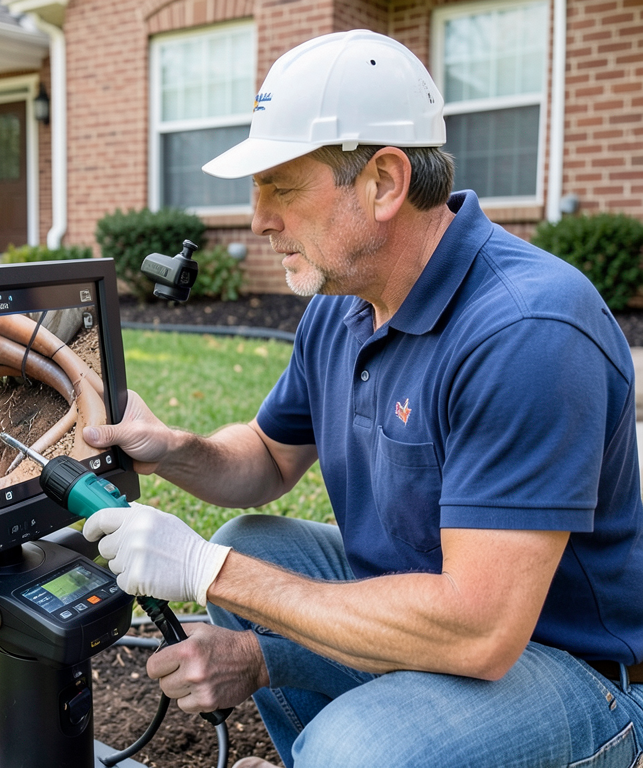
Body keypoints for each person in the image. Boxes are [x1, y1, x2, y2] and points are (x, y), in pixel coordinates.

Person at [81, 29, 643, 768]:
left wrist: (205, 575)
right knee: (251, 545)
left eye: (280, 186)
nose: (258, 220)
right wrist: (174, 450)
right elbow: (266, 460)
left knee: (358, 748)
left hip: (572, 670)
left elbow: (480, 630)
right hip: (433, 613)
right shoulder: (342, 303)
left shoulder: (527, 329)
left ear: (384, 181)